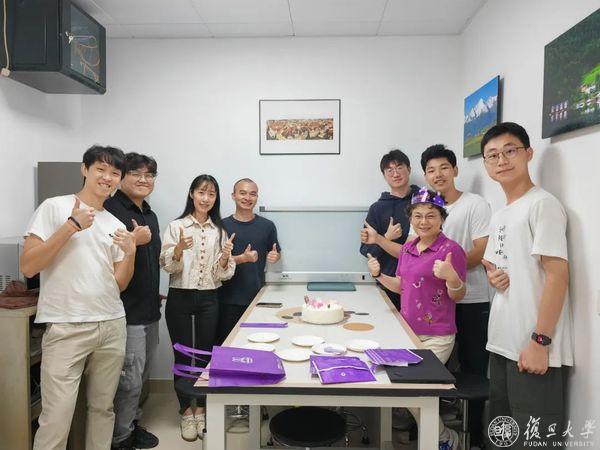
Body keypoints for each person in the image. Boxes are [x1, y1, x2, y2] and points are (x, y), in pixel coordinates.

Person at [20, 146, 136, 450]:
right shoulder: (54, 207)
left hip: (111, 324)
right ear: (85, 169)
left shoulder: (115, 224)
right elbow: (29, 266)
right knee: (56, 418)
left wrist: (131, 253)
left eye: (115, 173)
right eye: (101, 169)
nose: (107, 178)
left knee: (103, 410)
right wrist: (71, 226)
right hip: (67, 326)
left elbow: (118, 285)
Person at [481, 122, 573, 448]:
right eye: (493, 155)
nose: (502, 160)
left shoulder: (542, 204)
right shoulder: (501, 214)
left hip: (533, 347)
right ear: (486, 164)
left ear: (528, 153)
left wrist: (540, 341)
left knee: (533, 441)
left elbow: (558, 275)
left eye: (510, 151)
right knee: (502, 436)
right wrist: (493, 275)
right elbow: (494, 263)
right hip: (502, 343)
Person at [366, 187, 467, 450]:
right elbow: (401, 286)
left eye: (431, 215)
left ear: (442, 218)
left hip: (437, 335)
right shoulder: (408, 248)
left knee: (413, 387)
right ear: (411, 218)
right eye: (418, 216)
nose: (424, 221)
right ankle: (444, 436)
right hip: (407, 332)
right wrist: (378, 275)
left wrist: (451, 277)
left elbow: (458, 295)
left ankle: (443, 438)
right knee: (403, 388)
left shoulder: (451, 250)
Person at [421, 144, 491, 448]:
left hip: (471, 300)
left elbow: (481, 248)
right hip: (437, 306)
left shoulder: (475, 204)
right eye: (431, 170)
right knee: (437, 370)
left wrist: (451, 270)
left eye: (444, 168)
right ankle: (438, 428)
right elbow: (415, 253)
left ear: (455, 170)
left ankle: (472, 434)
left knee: (473, 367)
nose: (438, 174)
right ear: (425, 176)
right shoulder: (426, 210)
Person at [160, 174, 235, 442]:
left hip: (209, 298)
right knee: (181, 356)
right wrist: (179, 249)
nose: (206, 198)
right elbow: (168, 266)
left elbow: (222, 274)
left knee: (204, 356)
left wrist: (225, 258)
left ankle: (201, 410)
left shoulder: (219, 230)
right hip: (180, 296)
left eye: (211, 194)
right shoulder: (176, 226)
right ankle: (185, 412)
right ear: (192, 194)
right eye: (201, 192)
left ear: (216, 199)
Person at [104, 153, 161, 450]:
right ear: (121, 177)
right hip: (126, 312)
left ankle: (130, 425)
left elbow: (150, 262)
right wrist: (133, 241)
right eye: (136, 173)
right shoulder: (110, 210)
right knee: (128, 380)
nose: (143, 180)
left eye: (149, 175)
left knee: (141, 376)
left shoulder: (150, 214)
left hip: (150, 309)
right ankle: (121, 438)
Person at [217, 178, 281, 344]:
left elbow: (275, 252)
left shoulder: (267, 226)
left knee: (256, 346)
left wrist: (275, 256)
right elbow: (215, 264)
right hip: (226, 300)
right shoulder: (221, 226)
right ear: (233, 195)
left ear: (257, 197)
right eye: (242, 193)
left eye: (252, 194)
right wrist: (242, 258)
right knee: (228, 347)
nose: (247, 198)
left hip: (257, 299)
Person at [360, 149, 420, 309]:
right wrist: (386, 237)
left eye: (400, 167)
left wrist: (380, 240)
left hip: (420, 283)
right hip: (387, 282)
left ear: (409, 169)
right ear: (384, 175)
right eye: (389, 170)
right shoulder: (377, 208)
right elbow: (366, 250)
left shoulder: (423, 202)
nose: (395, 174)